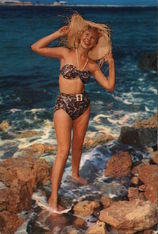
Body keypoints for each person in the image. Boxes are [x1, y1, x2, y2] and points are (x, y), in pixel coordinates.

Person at [31, 13, 115, 214]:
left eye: (92, 38)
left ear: (95, 43)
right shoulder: (64, 53)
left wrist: (111, 64)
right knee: (63, 150)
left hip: (83, 105)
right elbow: (36, 48)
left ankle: (75, 174)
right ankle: (53, 196)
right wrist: (56, 34)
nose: (88, 38)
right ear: (79, 36)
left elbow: (110, 86)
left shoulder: (93, 65)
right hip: (64, 104)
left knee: (78, 146)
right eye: (86, 35)